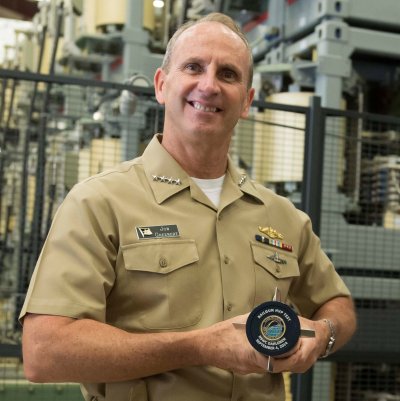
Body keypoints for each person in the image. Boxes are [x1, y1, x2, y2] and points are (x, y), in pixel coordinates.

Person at [20, 12, 356, 401]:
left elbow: (338, 304)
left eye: (228, 74)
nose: (209, 85)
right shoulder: (99, 203)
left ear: (246, 102)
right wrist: (198, 346)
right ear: (162, 85)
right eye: (194, 67)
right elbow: (45, 352)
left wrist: (323, 336)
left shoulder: (283, 217)